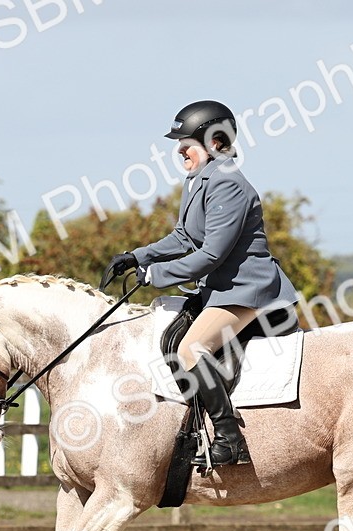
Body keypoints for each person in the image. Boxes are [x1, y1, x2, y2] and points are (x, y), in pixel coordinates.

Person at [104, 100, 299, 466]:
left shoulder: (229, 185)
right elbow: (182, 237)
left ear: (214, 143)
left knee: (192, 349)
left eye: (186, 143)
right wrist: (139, 256)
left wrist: (155, 277)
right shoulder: (199, 180)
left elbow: (211, 255)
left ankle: (230, 440)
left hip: (246, 288)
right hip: (220, 287)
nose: (179, 150)